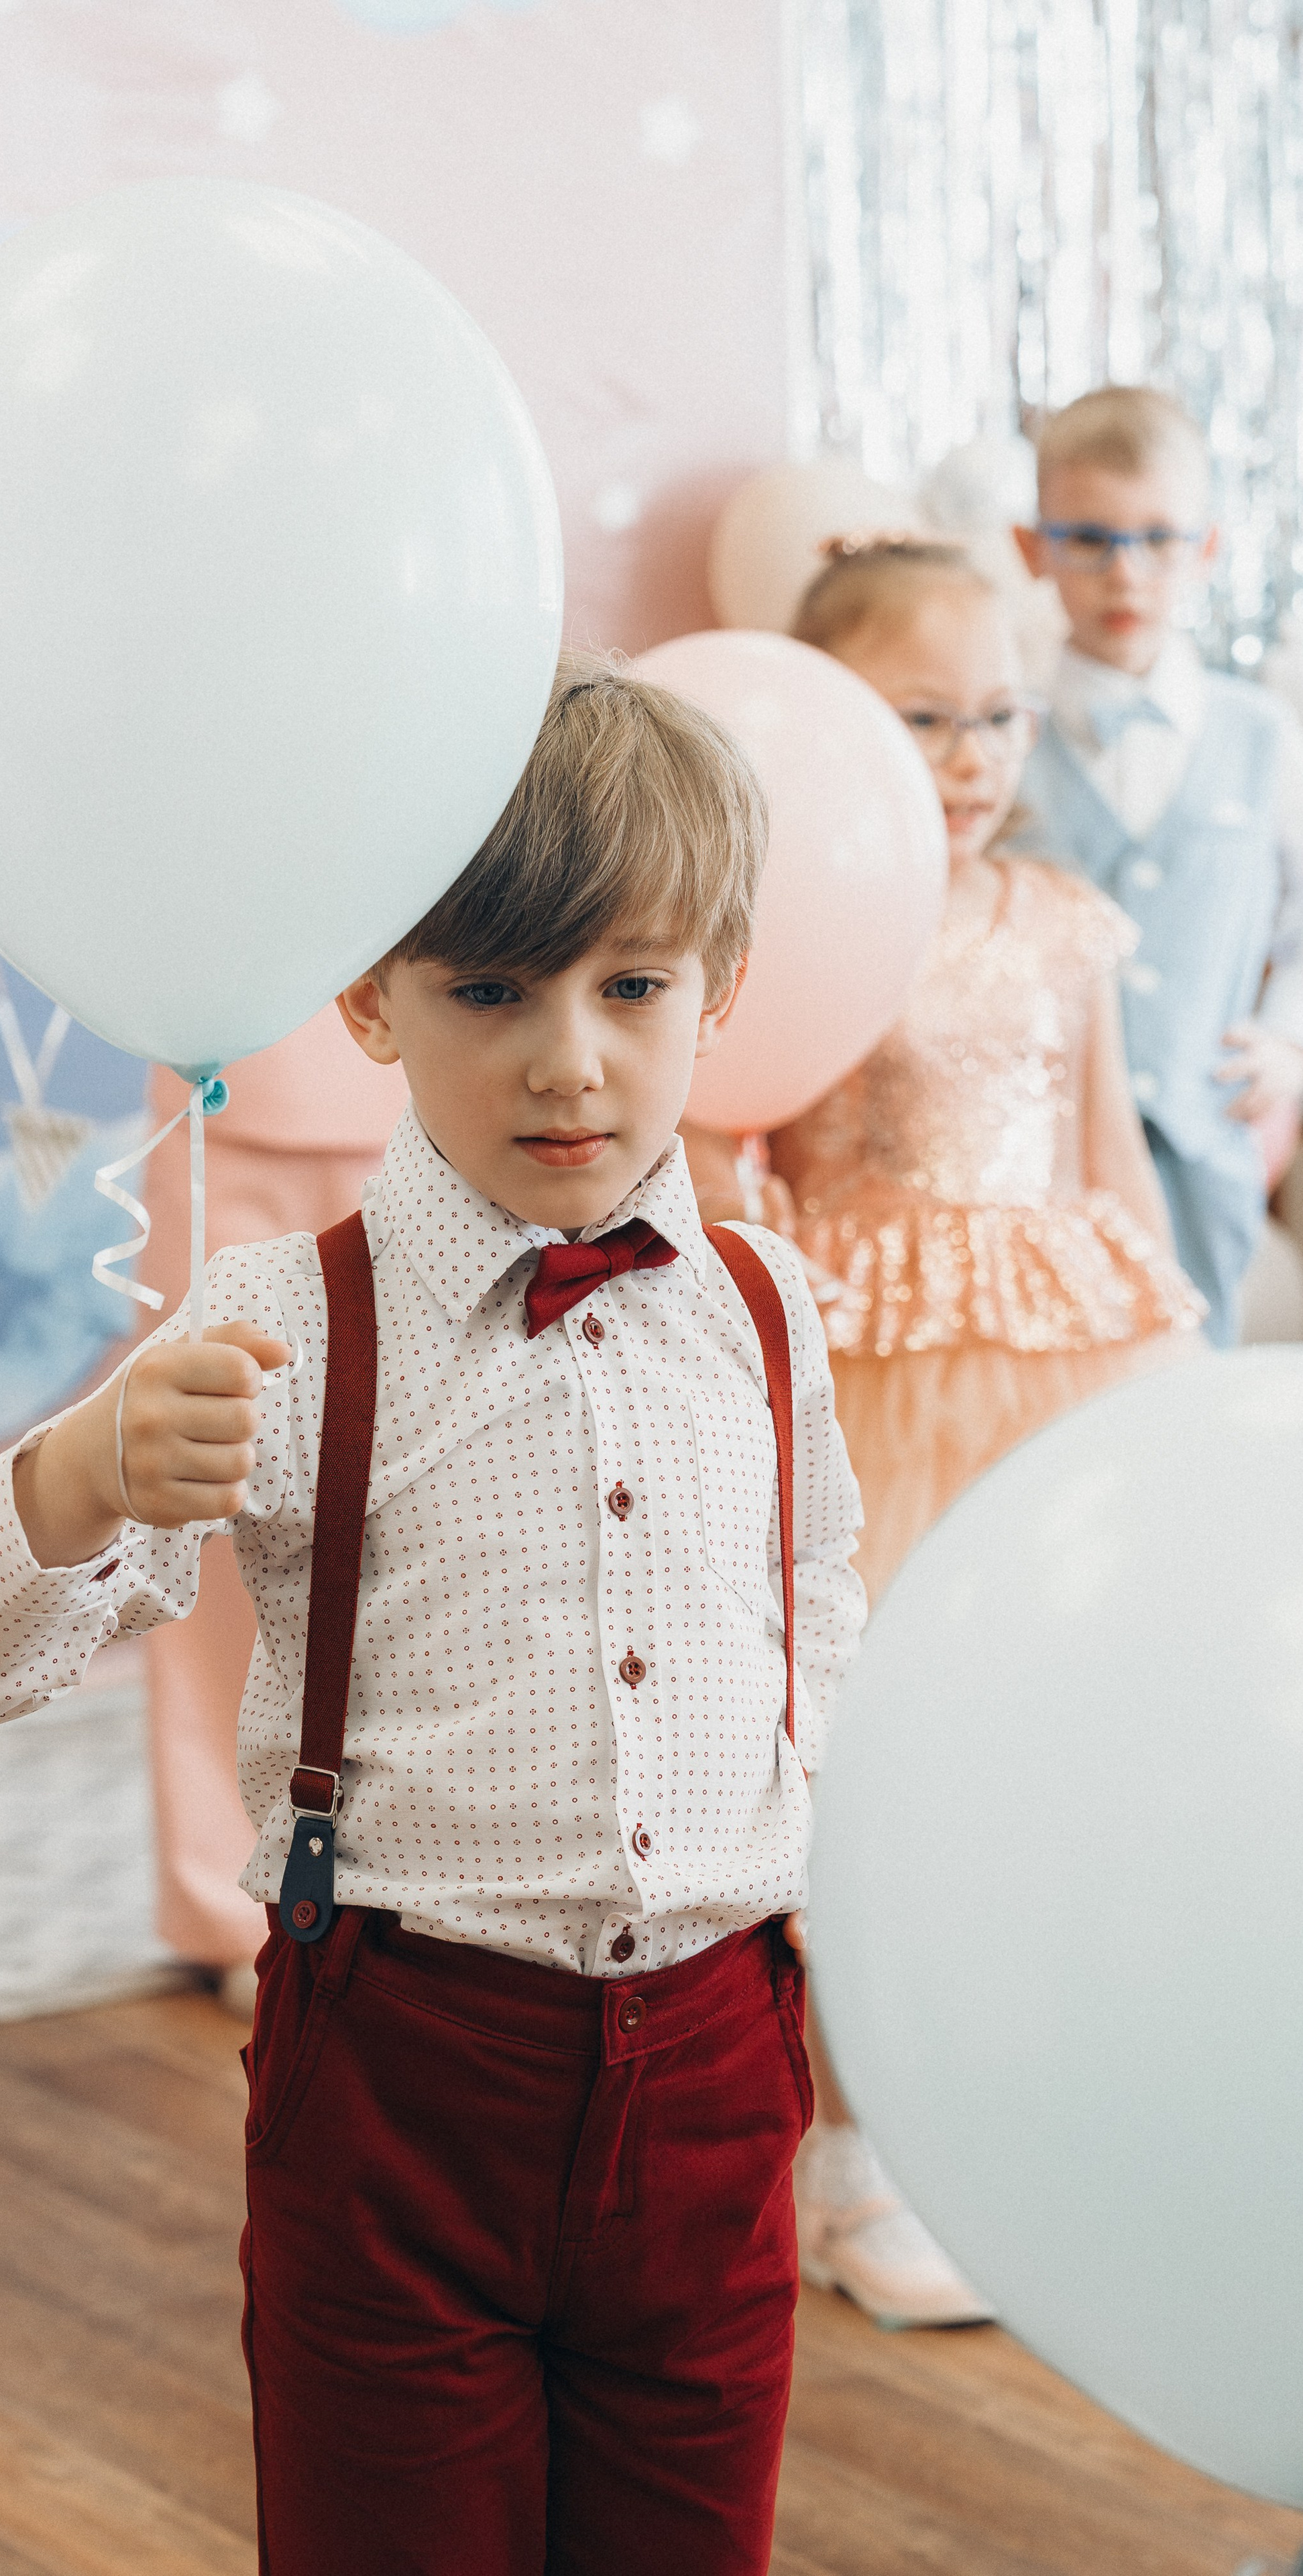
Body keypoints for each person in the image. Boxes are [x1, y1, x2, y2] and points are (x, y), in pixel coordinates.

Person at [0, 652, 866, 2576]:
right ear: (367, 1001)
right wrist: (81, 1474)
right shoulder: (283, 1321)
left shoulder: (768, 1303)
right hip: (408, 2079)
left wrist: (802, 1821)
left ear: (722, 985)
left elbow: (814, 1585)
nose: (566, 1060)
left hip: (720, 2076)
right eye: (490, 991)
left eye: (631, 987)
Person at [760, 537, 1202, 2329]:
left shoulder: (1062, 921)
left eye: (999, 716)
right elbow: (754, 1144)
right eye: (923, 717)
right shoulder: (803, 918)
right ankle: (851, 2155)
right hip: (871, 1383)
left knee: (1042, 1758)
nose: (970, 757)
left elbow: (1112, 1168)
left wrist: (1181, 1394)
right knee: (869, 1763)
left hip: (1061, 1376)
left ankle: (1022, 2129)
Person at [1011, 386, 1303, 1345]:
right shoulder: (1003, 739)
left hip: (1202, 1144)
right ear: (1033, 548)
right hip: (1042, 1157)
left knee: (1195, 1382)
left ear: (1206, 549)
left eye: (1157, 540)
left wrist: (1286, 1041)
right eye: (1090, 539)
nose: (1124, 573)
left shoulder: (1264, 737)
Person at [137, 1019, 405, 2010]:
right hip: (224, 1099)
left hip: (443, 1084)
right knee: (211, 1502)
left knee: (426, 1520)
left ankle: (406, 1884)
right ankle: (235, 1897)